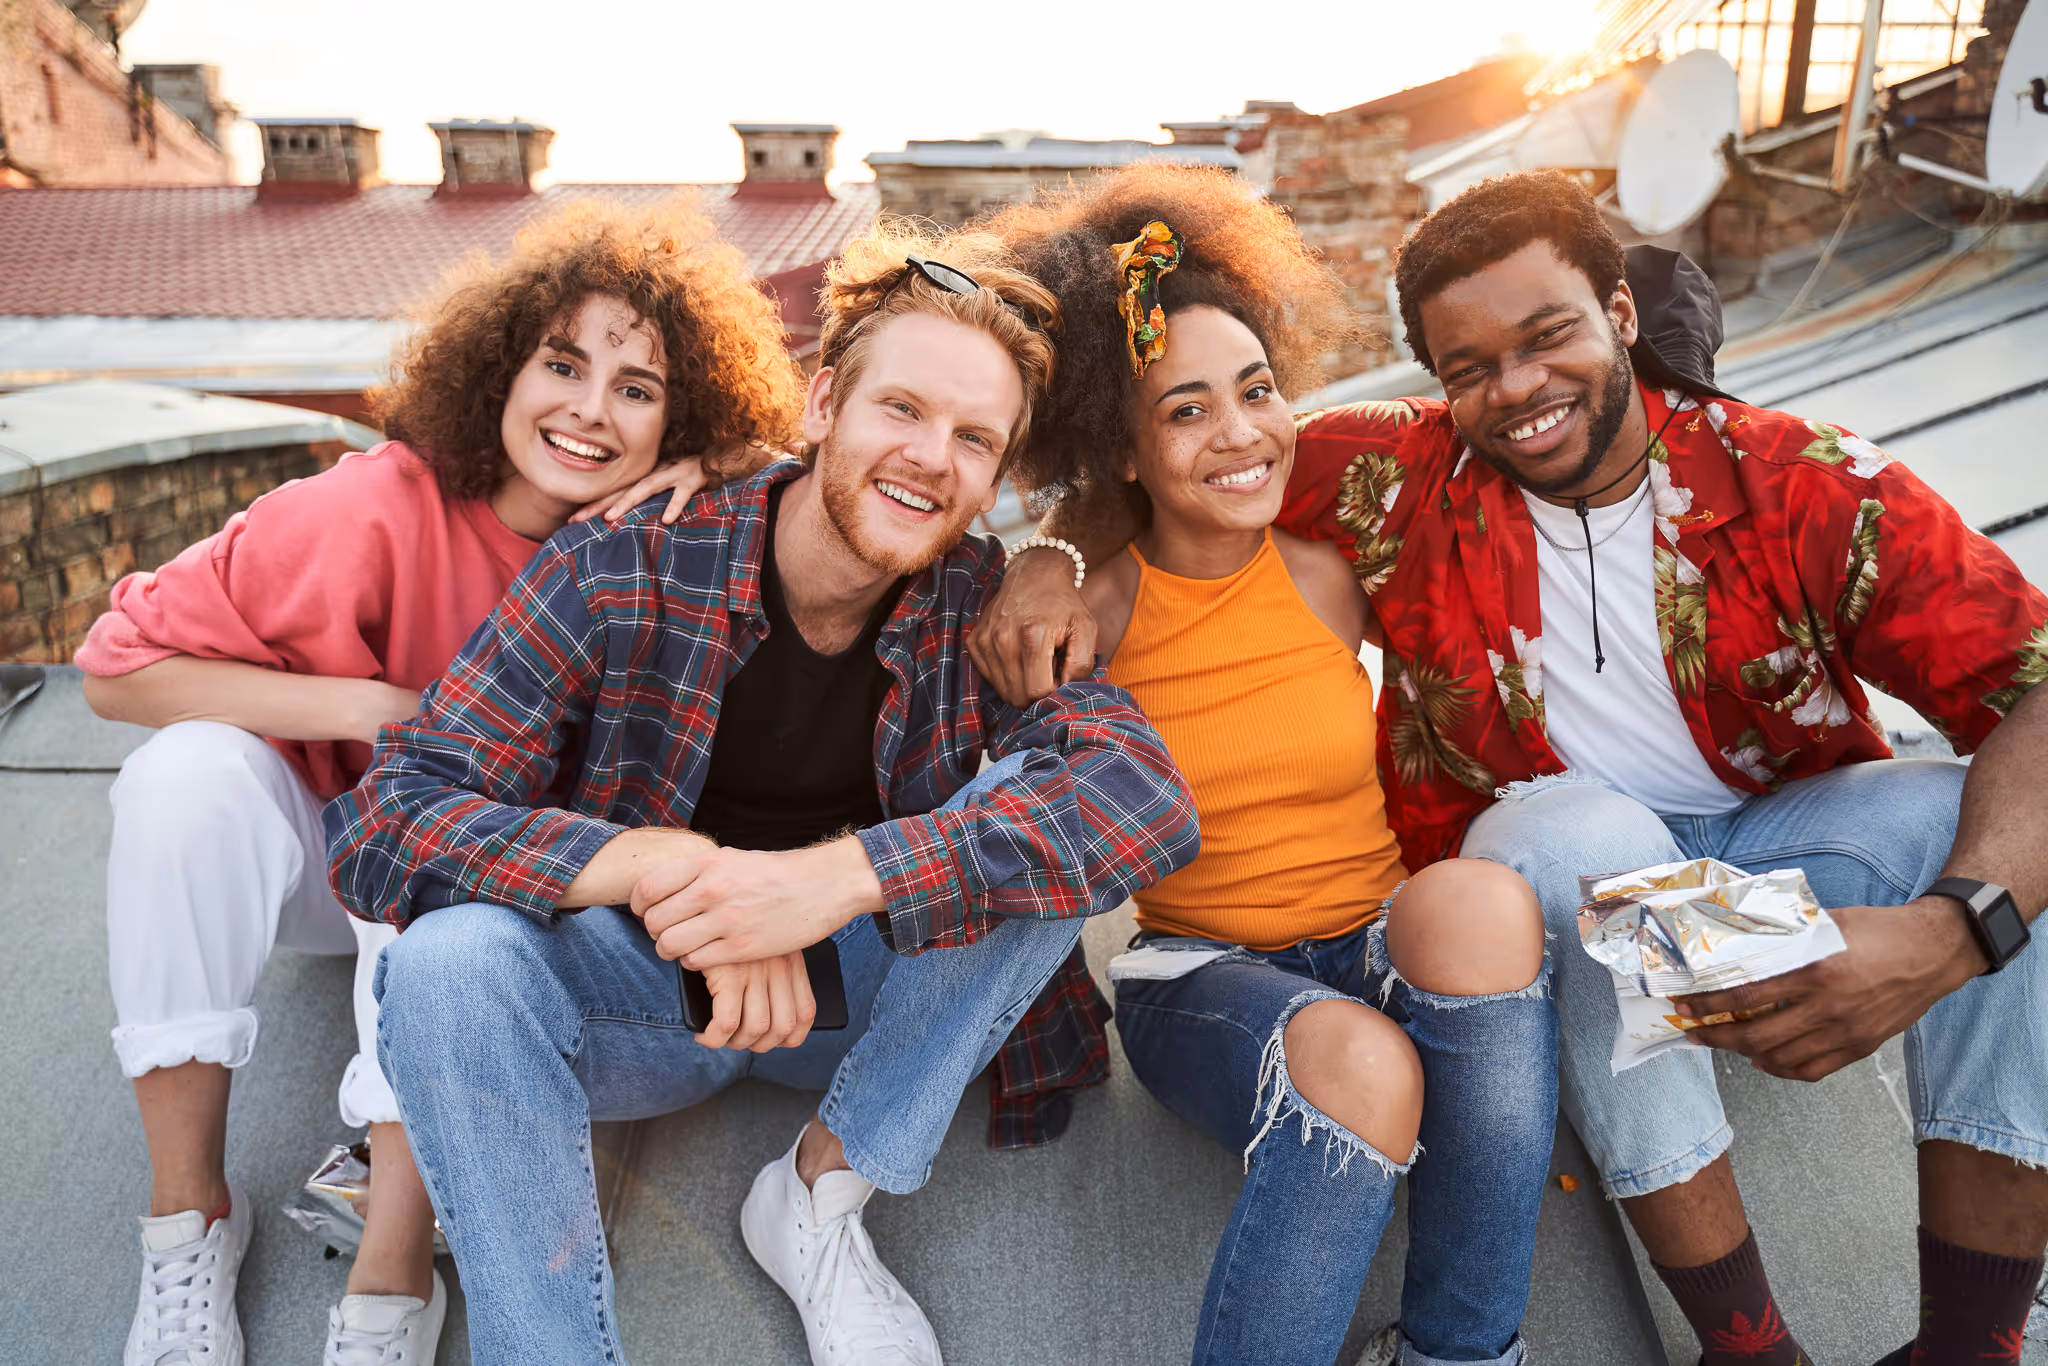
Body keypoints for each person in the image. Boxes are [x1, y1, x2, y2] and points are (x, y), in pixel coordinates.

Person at [975, 168, 2048, 1366]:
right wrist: (1051, 553)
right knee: (1569, 838)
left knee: (1989, 840)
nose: (1516, 389)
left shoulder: (1802, 483)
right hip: (1563, 892)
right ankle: (1747, 1348)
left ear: (1619, 315)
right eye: (1468, 366)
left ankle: (1970, 1343)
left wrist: (1954, 932)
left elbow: (2036, 690)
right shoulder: (1393, 475)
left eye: (1548, 338)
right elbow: (1168, 458)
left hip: (1764, 864)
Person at [323, 221, 1200, 1366]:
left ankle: (818, 1198)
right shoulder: (627, 563)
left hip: (866, 1016)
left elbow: (1140, 797)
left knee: (1051, 826)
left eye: (972, 438)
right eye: (902, 409)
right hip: (639, 1005)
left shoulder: (979, 605)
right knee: (444, 963)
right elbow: (392, 813)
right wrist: (661, 868)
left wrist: (828, 883)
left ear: (994, 476)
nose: (932, 457)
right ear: (824, 401)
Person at [77, 195, 801, 1366]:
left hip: (472, 903)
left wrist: (736, 459)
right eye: (562, 364)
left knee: (451, 857)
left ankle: (392, 1261)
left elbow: (844, 478)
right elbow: (116, 671)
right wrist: (365, 711)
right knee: (184, 777)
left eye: (638, 389)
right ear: (499, 368)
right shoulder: (366, 507)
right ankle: (188, 1218)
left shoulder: (673, 532)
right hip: (310, 858)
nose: (588, 410)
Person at [970, 166, 1554, 1366]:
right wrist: (1041, 551)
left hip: (1374, 942)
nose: (1239, 433)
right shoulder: (1094, 614)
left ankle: (1458, 1353)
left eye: (1255, 391)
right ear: (1120, 453)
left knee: (1484, 900)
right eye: (1184, 412)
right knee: (1359, 1057)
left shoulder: (1328, 568)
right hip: (1201, 977)